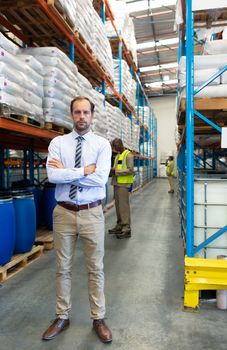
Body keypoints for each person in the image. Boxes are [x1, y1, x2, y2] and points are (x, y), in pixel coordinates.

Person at [42, 96, 112, 343]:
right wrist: (83, 171)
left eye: (85, 112)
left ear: (92, 115)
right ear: (71, 115)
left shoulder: (102, 145)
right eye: (77, 112)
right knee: (63, 268)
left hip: (92, 212)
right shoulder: (58, 143)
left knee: (96, 268)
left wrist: (67, 173)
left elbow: (101, 179)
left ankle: (98, 318)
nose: (81, 117)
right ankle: (62, 316)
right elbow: (52, 175)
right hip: (63, 213)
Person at [108, 138, 134, 239]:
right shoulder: (118, 155)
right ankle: (119, 225)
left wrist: (116, 171)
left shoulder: (128, 155)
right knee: (118, 206)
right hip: (116, 183)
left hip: (123, 185)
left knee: (123, 207)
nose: (114, 149)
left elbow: (130, 170)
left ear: (119, 145)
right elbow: (117, 168)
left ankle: (126, 228)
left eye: (115, 147)